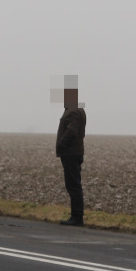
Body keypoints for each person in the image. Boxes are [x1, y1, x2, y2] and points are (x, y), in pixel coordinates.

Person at [56, 82, 87, 226]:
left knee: (73, 185)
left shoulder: (73, 111)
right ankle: (76, 215)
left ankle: (77, 217)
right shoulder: (76, 109)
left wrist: (61, 143)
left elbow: (72, 131)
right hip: (73, 152)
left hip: (71, 153)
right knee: (74, 184)